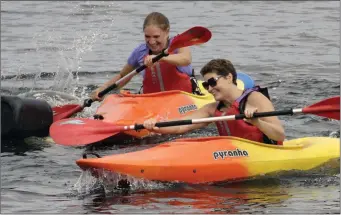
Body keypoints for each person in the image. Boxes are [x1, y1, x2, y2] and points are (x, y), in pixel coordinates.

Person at [143, 59, 286, 145]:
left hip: (265, 152)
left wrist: (257, 122)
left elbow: (280, 135)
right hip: (231, 153)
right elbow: (181, 127)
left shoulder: (255, 98)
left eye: (212, 82)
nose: (209, 89)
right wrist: (155, 126)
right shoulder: (211, 109)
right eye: (206, 85)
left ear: (229, 77)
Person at [90, 12, 195, 101]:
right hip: (152, 101)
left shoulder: (179, 43)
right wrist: (103, 88)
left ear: (167, 32)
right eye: (147, 36)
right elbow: (123, 76)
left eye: (156, 36)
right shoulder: (140, 52)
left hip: (183, 99)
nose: (152, 41)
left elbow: (186, 59)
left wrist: (160, 58)